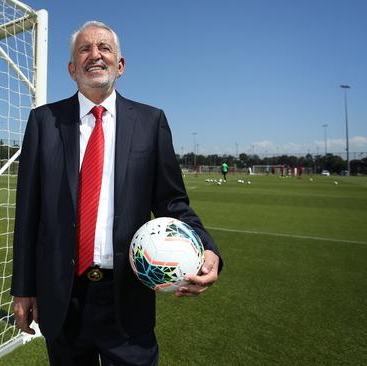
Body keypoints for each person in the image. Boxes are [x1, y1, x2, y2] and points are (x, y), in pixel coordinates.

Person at [11, 21, 222, 365]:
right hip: (62, 298)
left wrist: (208, 248)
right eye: (84, 49)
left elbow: (173, 202)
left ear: (120, 66)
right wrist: (23, 287)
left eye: (104, 48)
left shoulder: (151, 122)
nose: (95, 55)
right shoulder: (42, 122)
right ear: (71, 68)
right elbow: (28, 214)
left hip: (127, 297)